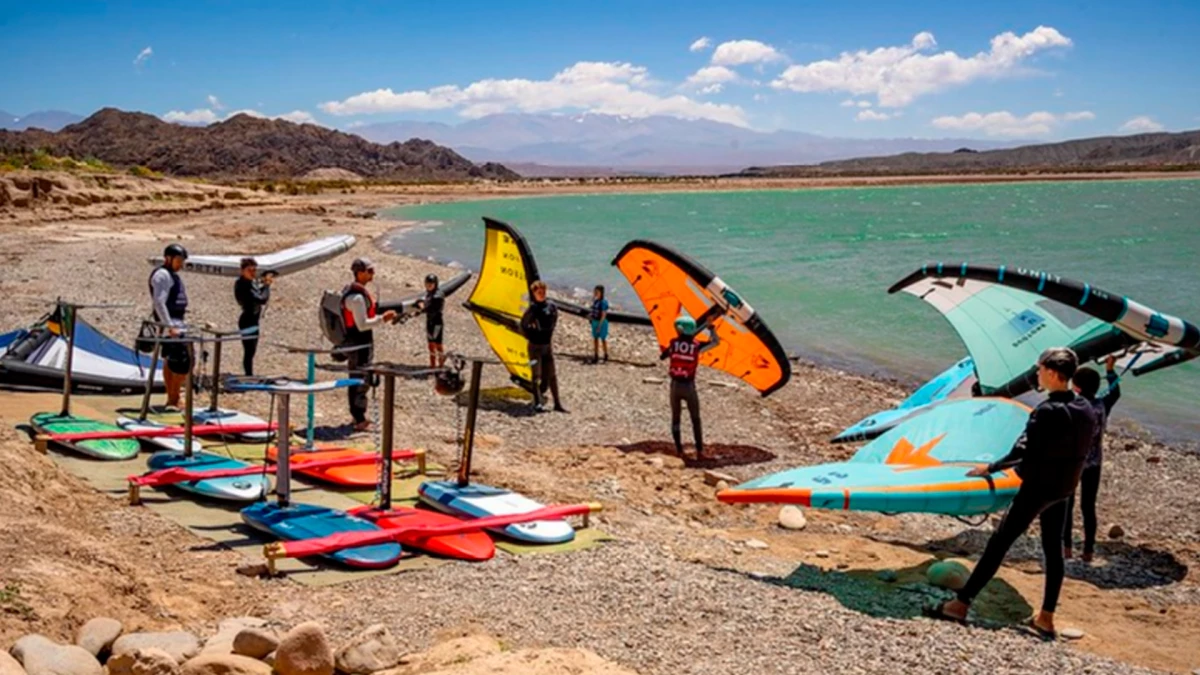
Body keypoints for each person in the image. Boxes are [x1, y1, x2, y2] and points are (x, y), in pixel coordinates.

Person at [926, 347, 1098, 638]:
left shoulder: (1046, 411)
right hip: (1064, 489)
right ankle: (1046, 617)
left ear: (1054, 374)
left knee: (999, 543)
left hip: (1039, 489)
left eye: (1040, 369)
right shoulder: (1085, 408)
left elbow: (1022, 450)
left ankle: (960, 604)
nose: (1037, 374)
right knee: (1053, 550)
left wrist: (990, 468)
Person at [1063, 355, 1121, 562]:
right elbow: (1115, 390)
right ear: (1096, 387)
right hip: (1094, 463)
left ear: (1076, 387)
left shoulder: (1072, 405)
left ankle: (1067, 547)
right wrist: (1110, 368)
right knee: (1088, 507)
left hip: (1072, 463)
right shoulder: (1103, 404)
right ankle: (1088, 551)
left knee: (1067, 505)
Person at [341, 258, 397, 432]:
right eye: (370, 271)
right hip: (359, 342)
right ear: (360, 273)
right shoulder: (356, 298)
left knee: (358, 377)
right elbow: (362, 324)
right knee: (360, 379)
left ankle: (358, 416)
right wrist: (383, 319)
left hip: (360, 341)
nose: (373, 274)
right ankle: (359, 419)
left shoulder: (355, 293)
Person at [660, 315, 719, 459]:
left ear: (679, 330)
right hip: (689, 387)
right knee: (695, 419)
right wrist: (711, 327)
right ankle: (700, 451)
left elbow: (663, 355)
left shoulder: (673, 343)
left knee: (676, 418)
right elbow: (715, 342)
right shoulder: (697, 345)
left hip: (674, 386)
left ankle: (679, 451)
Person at [149, 243, 191, 409]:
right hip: (171, 323)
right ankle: (173, 397)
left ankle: (174, 396)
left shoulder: (173, 275)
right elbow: (159, 302)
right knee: (175, 360)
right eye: (179, 260)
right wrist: (169, 326)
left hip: (179, 322)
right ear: (168, 258)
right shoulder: (162, 275)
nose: (181, 264)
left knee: (181, 360)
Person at [520, 280, 566, 413]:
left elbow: (554, 320)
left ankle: (557, 403)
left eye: (543, 291)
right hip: (535, 347)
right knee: (536, 375)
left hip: (547, 346)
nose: (542, 294)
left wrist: (548, 333)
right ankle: (537, 402)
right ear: (534, 293)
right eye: (539, 292)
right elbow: (523, 325)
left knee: (552, 375)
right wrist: (531, 335)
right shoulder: (533, 309)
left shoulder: (551, 306)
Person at [233, 257, 274, 376]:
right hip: (247, 320)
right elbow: (261, 299)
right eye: (249, 270)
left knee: (252, 349)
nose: (252, 273)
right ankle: (248, 375)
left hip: (253, 319)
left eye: (254, 270)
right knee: (249, 350)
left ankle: (249, 374)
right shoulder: (242, 285)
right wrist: (266, 286)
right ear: (242, 271)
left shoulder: (250, 283)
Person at [414, 273, 446, 368]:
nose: (428, 286)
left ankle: (441, 365)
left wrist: (422, 307)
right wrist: (420, 306)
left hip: (437, 323)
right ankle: (432, 365)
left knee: (438, 344)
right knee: (430, 344)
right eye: (427, 284)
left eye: (430, 284)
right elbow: (425, 304)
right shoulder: (429, 294)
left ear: (435, 284)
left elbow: (432, 309)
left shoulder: (438, 296)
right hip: (429, 321)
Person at [589, 285, 609, 364]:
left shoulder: (603, 302)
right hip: (594, 321)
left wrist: (599, 326)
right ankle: (596, 355)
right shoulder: (595, 301)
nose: (595, 293)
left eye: (597, 292)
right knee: (595, 339)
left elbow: (604, 315)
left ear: (601, 292)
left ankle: (605, 355)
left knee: (603, 339)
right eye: (595, 292)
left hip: (601, 323)